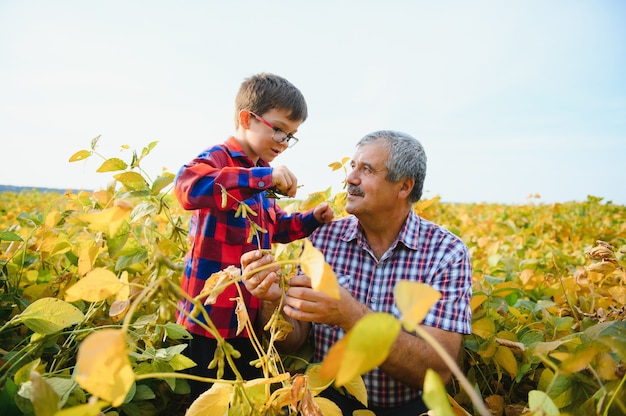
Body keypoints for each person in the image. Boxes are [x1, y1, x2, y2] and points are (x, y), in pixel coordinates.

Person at [241, 130, 473, 415]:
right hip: (329, 403)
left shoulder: (446, 252)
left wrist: (350, 315)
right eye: (353, 167)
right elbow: (294, 339)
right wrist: (272, 301)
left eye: (367, 170)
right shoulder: (324, 238)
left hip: (408, 408)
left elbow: (437, 371)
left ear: (403, 188)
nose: (350, 178)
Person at [174, 72, 334, 401]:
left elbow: (276, 227)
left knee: (245, 400)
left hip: (248, 318)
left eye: (291, 136)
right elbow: (187, 187)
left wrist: (311, 219)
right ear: (247, 118)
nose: (283, 142)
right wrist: (262, 177)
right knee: (204, 401)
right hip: (208, 320)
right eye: (278, 129)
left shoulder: (260, 175)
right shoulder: (222, 160)